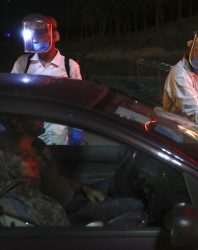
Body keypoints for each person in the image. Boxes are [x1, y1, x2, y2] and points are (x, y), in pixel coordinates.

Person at [4, 116, 144, 225]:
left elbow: (56, 177)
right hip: (70, 210)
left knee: (113, 182)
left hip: (76, 197)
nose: (41, 120)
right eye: (33, 116)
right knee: (136, 206)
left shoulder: (38, 144)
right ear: (16, 122)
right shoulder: (12, 158)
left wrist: (84, 189)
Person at [11, 13, 82, 145]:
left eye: (41, 33)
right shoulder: (22, 63)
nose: (37, 38)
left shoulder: (70, 66)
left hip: (57, 134)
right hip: (28, 134)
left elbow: (79, 101)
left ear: (54, 36)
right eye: (34, 34)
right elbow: (12, 95)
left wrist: (77, 130)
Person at [0, 128, 69, 226]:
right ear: (7, 166)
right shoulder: (14, 210)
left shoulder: (27, 195)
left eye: (33, 152)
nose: (36, 158)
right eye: (26, 156)